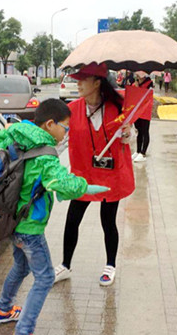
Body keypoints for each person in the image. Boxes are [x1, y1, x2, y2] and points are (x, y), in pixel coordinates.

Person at [0, 99, 108, 335]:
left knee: (21, 267)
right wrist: (87, 186)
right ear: (50, 124)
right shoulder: (44, 154)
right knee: (44, 279)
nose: (66, 134)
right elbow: (64, 184)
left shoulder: (14, 134)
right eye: (65, 128)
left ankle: (3, 309)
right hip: (30, 227)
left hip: (10, 220)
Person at [53, 62, 135, 286]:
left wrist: (127, 133)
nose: (78, 84)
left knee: (108, 221)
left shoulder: (119, 108)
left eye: (83, 80)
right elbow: (60, 139)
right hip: (84, 174)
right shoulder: (72, 109)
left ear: (97, 83)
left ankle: (110, 265)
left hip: (110, 174)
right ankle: (65, 265)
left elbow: (129, 140)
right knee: (72, 220)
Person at [133, 72, 153, 163]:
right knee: (139, 131)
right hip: (137, 111)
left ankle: (143, 153)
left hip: (145, 111)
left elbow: (145, 96)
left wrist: (138, 88)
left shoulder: (149, 84)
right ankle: (138, 151)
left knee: (145, 131)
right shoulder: (135, 84)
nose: (138, 75)